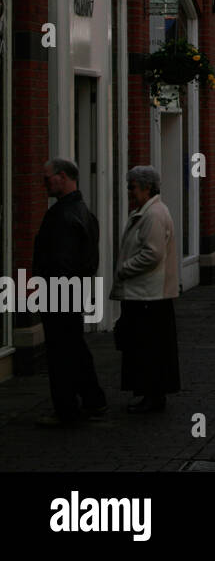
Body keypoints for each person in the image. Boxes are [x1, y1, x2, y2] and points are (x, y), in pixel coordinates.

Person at [33, 159, 107, 427]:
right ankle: (93, 399)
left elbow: (59, 261)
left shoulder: (62, 216)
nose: (44, 184)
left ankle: (67, 409)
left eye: (47, 179)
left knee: (61, 354)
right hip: (73, 292)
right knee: (75, 348)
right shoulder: (84, 212)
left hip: (60, 295)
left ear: (62, 177)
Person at [111, 166, 180, 414]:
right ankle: (149, 393)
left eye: (132, 187)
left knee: (148, 347)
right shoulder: (148, 212)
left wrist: (124, 269)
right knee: (146, 346)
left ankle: (152, 394)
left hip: (148, 294)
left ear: (146, 187)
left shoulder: (152, 215)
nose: (130, 192)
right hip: (146, 293)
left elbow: (153, 253)